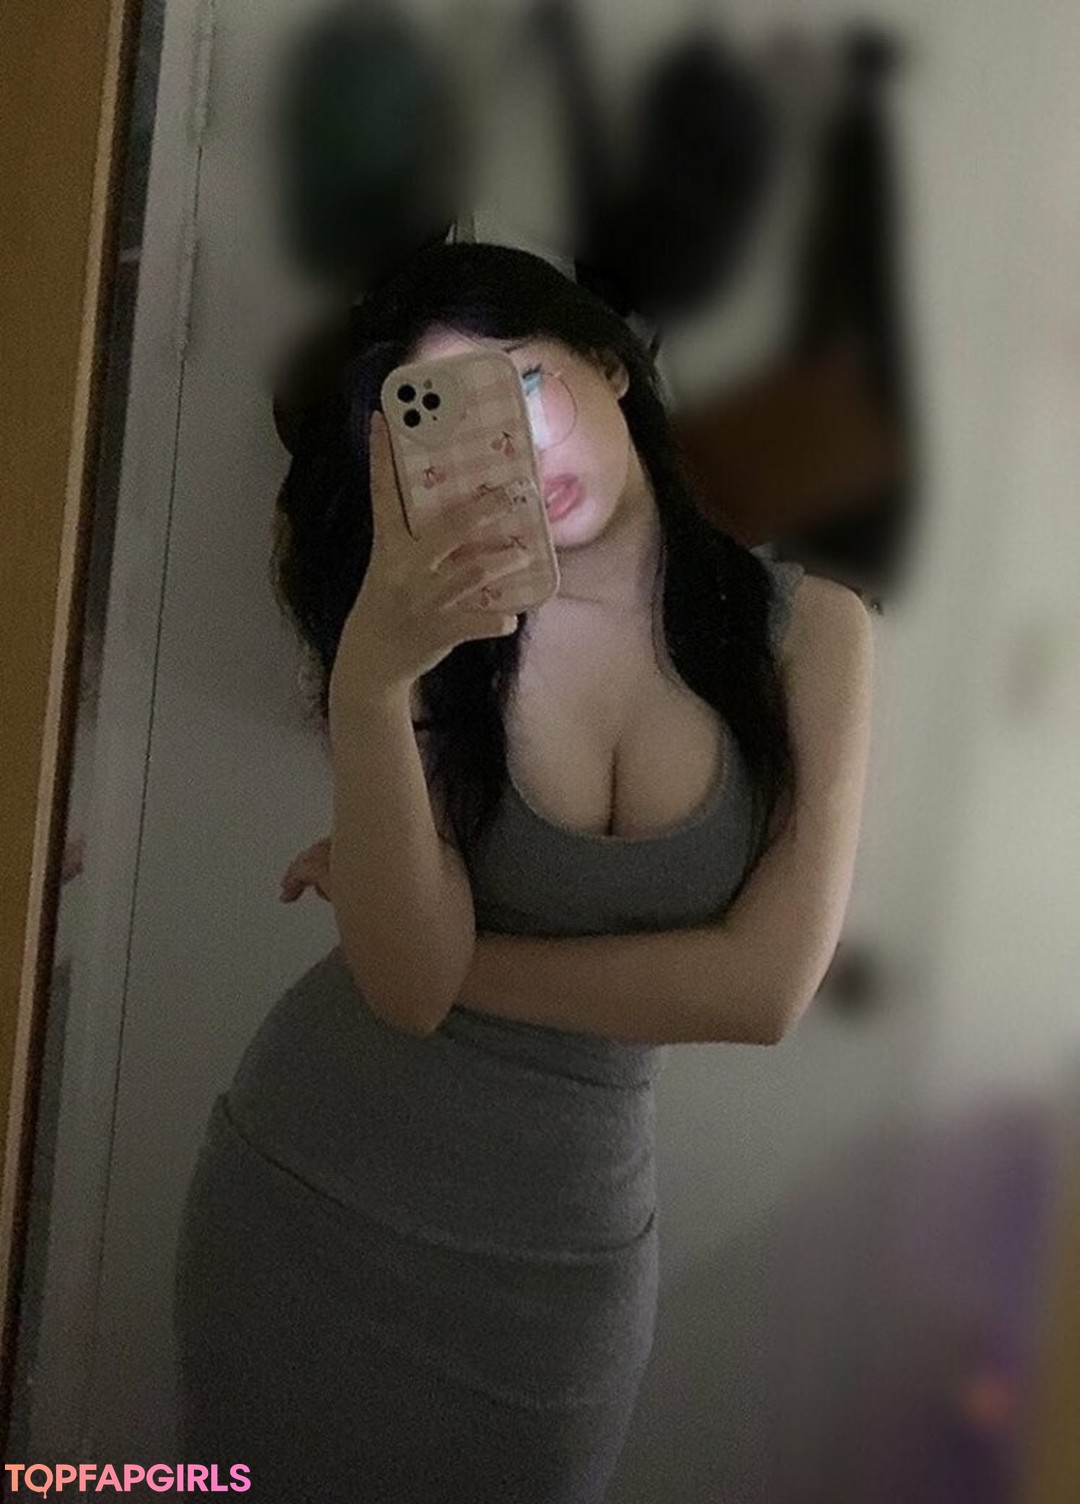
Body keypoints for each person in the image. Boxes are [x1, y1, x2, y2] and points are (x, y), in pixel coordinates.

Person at [173, 241, 873, 1502]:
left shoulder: (811, 634)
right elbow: (403, 990)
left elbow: (764, 990)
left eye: (524, 383)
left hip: (559, 1260)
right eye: (450, 422)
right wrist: (374, 685)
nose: (517, 448)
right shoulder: (437, 632)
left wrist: (459, 961)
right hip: (313, 1194)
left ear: (608, 361)